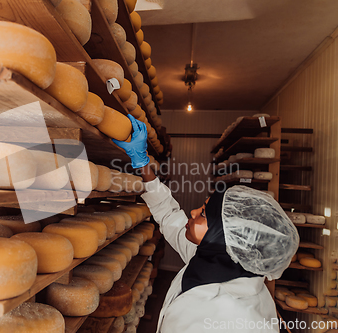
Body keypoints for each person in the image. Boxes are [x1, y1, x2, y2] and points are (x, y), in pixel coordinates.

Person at [113, 115, 299, 333]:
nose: (192, 212)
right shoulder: (219, 261)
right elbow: (168, 214)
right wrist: (142, 161)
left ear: (222, 234)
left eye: (203, 213)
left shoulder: (231, 318)